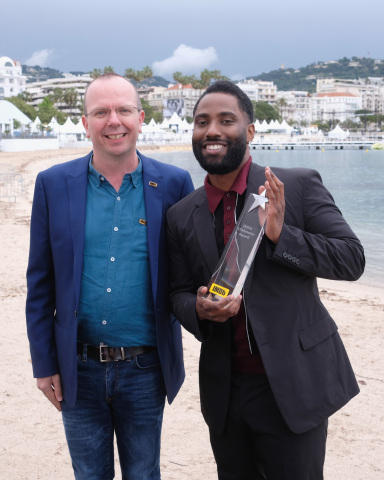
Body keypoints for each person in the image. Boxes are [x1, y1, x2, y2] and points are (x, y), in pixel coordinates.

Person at [166, 80, 365, 480]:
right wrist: (200, 310)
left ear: (250, 131)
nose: (213, 131)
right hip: (225, 391)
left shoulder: (297, 185)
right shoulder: (181, 214)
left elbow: (351, 259)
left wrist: (280, 234)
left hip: (294, 384)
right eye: (202, 121)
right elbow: (177, 293)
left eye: (226, 120)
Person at [26, 73, 194, 480]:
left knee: (143, 473)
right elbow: (40, 284)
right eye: (101, 112)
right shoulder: (52, 185)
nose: (113, 120)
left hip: (145, 368)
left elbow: (190, 273)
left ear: (140, 117)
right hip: (76, 368)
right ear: (86, 123)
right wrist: (43, 363)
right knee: (89, 475)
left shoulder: (174, 184)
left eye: (122, 110)